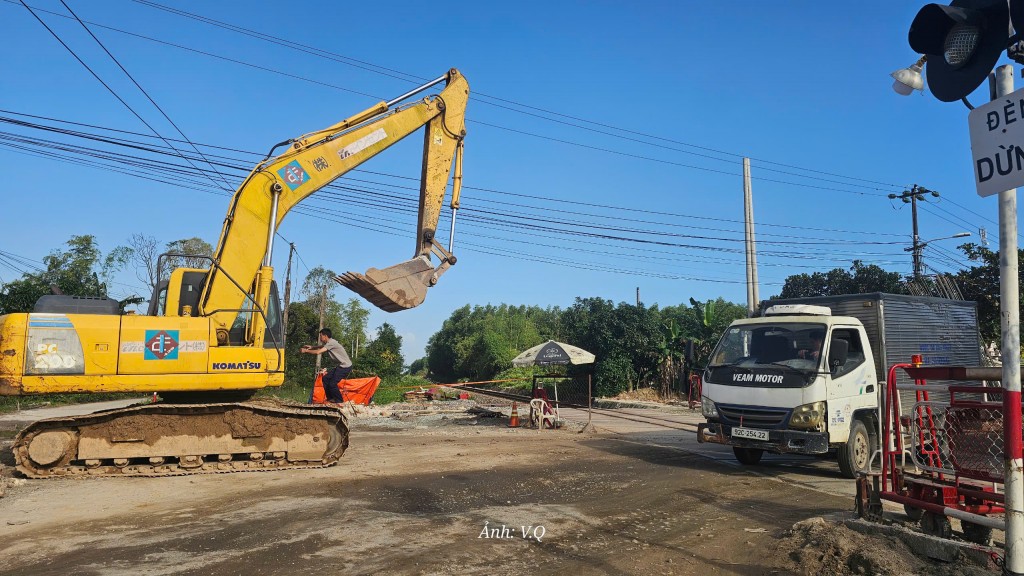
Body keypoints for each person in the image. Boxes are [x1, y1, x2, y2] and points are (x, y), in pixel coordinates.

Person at [300, 328, 353, 404]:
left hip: (345, 366)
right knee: (325, 379)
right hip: (341, 366)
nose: (320, 338)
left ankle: (339, 401)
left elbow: (318, 352)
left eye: (321, 336)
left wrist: (306, 351)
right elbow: (322, 346)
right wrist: (312, 347)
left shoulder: (332, 343)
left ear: (325, 336)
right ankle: (331, 399)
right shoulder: (330, 343)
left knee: (332, 383)